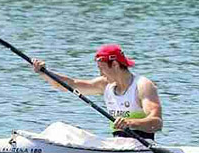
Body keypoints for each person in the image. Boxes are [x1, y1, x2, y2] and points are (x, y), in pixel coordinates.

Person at [32, 44, 163, 139]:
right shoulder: (105, 84)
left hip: (141, 145)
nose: (100, 73)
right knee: (60, 128)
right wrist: (44, 73)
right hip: (118, 144)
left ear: (116, 65)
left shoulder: (142, 85)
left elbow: (156, 123)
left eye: (102, 68)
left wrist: (130, 123)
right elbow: (69, 85)